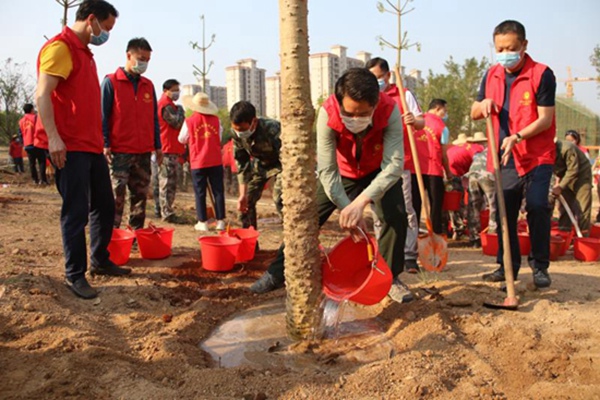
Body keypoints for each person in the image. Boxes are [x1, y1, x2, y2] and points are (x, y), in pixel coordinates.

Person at [251, 68, 412, 304]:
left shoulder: (390, 111)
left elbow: (394, 166)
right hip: (342, 173)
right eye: (349, 114)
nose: (356, 120)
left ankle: (390, 277)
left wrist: (361, 202)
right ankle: (277, 272)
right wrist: (348, 208)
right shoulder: (327, 114)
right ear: (338, 102)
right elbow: (327, 170)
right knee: (307, 217)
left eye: (364, 114)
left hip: (378, 171)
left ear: (376, 104)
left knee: (395, 215)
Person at [36, 0, 128, 300]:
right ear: (92, 20)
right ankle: (75, 274)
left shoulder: (85, 53)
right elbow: (43, 94)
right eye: (107, 27)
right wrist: (53, 138)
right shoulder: (60, 48)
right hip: (69, 146)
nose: (106, 35)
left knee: (104, 204)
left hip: (90, 146)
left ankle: (99, 260)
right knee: (75, 211)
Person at [471, 20, 556, 289]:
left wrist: (518, 136)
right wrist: (483, 104)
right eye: (500, 48)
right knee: (504, 213)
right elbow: (474, 112)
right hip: (503, 157)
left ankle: (540, 266)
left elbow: (545, 119)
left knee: (537, 206)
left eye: (511, 47)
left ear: (524, 45)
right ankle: (506, 265)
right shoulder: (491, 74)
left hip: (537, 156)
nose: (505, 53)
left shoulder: (542, 74)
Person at [367, 57, 424, 273]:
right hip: (375, 164)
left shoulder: (404, 94)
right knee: (378, 211)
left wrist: (413, 120)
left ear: (388, 76)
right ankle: (383, 255)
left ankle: (409, 255)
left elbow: (421, 122)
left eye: (379, 77)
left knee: (406, 209)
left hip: (402, 161)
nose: (376, 82)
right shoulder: (369, 98)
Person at [101, 37, 162, 230]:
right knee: (115, 196)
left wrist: (158, 146)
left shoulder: (148, 85)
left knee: (140, 197)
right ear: (129, 55)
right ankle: (111, 236)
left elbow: (154, 118)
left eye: (147, 59)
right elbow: (102, 116)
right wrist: (105, 142)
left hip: (143, 151)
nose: (144, 63)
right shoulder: (111, 82)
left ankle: (135, 236)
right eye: (141, 58)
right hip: (119, 151)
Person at [230, 101, 283, 230]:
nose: (239, 133)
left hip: (281, 165)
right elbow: (242, 163)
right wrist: (242, 195)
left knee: (280, 198)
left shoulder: (273, 129)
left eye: (242, 129)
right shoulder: (236, 133)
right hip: (261, 165)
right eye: (236, 129)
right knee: (246, 201)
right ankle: (250, 241)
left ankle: (291, 235)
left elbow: (287, 156)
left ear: (253, 122)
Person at [179, 92, 225, 231]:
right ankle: (220, 221)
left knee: (200, 192)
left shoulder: (189, 121)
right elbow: (220, 137)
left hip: (198, 161)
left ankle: (202, 222)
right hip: (215, 160)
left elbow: (181, 139)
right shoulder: (217, 121)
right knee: (218, 191)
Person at [411, 98, 452, 236]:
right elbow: (444, 154)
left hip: (414, 169)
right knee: (436, 205)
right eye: (444, 111)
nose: (445, 115)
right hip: (434, 170)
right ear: (437, 109)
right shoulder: (442, 127)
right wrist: (448, 172)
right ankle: (435, 234)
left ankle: (413, 236)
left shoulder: (415, 120)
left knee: (414, 205)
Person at [156, 79, 185, 222]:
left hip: (171, 147)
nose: (176, 93)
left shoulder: (168, 105)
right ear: (166, 90)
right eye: (174, 90)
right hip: (167, 148)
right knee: (167, 182)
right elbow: (176, 123)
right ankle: (166, 213)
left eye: (177, 90)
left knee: (168, 181)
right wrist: (181, 111)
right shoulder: (166, 106)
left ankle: (162, 209)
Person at [445, 135, 483, 239]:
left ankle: (449, 229)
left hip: (444, 171)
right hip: (453, 174)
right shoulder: (477, 148)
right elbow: (478, 165)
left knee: (448, 204)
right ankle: (460, 229)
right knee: (459, 204)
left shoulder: (454, 149)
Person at [553, 140, 593, 235]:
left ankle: (583, 237)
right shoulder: (543, 152)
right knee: (565, 206)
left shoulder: (567, 148)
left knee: (582, 208)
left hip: (581, 176)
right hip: (564, 176)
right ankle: (564, 234)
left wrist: (561, 186)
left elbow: (573, 170)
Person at [465, 132, 497, 248]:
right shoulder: (495, 151)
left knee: (473, 206)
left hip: (473, 175)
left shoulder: (478, 154)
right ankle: (493, 234)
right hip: (487, 175)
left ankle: (474, 238)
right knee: (493, 204)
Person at [19, 104, 48, 184]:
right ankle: (43, 180)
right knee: (42, 162)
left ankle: (34, 180)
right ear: (32, 109)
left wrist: (23, 144)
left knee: (32, 164)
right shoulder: (36, 117)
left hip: (28, 144)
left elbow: (20, 134)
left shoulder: (21, 121)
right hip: (37, 142)